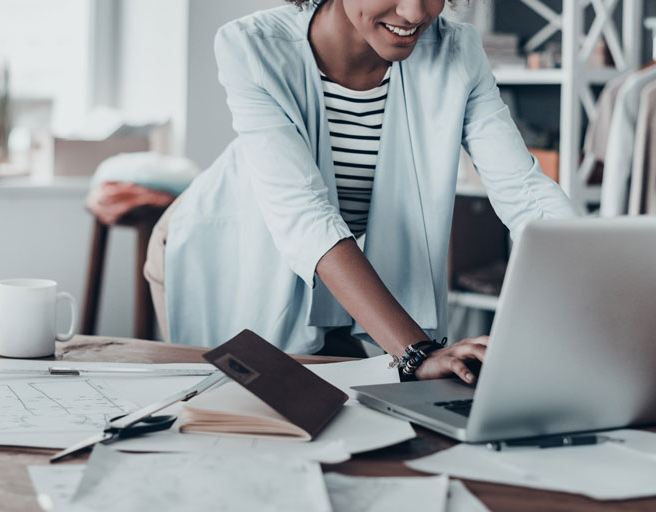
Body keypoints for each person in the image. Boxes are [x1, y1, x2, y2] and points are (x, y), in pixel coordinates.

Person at [145, 0, 578, 382]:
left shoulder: (457, 52)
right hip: (223, 248)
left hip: (336, 262)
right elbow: (305, 215)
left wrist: (600, 293)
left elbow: (523, 191)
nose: (414, 12)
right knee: (240, 423)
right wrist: (415, 352)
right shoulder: (252, 46)